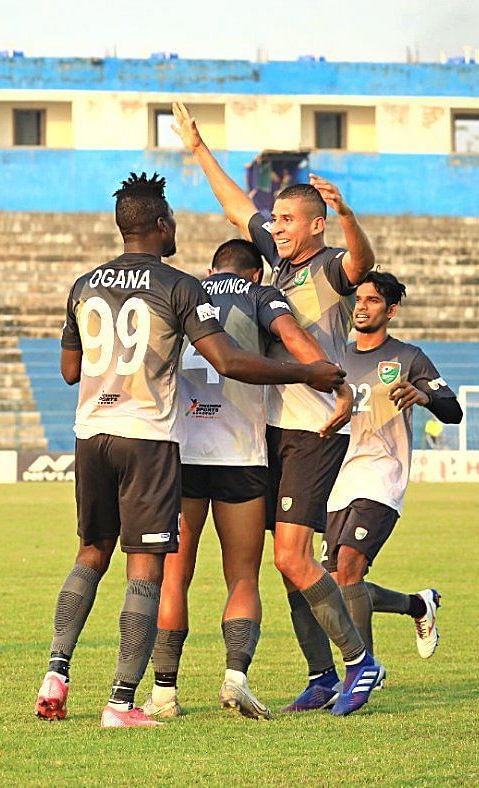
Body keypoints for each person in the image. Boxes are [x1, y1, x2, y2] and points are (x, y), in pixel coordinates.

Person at [34, 172, 346, 728]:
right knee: (155, 570)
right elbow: (228, 361)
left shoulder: (83, 285)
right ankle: (123, 703)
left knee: (90, 555)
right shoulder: (181, 286)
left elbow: (68, 370)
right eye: (172, 217)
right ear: (160, 225)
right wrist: (309, 373)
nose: (176, 225)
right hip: (154, 438)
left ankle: (60, 673)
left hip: (91, 434)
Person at [171, 101, 382, 716]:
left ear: (316, 225)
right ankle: (320, 677)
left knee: (290, 556)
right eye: (278, 220)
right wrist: (198, 148)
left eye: (289, 219)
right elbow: (239, 207)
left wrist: (348, 215)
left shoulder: (328, 268)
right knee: (288, 561)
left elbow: (362, 263)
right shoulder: (274, 266)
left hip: (314, 429)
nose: (277, 226)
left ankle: (360, 664)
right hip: (270, 434)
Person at [143, 239, 351, 721]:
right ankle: (235, 676)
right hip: (241, 455)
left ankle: (164, 693)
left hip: (183, 453)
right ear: (256, 273)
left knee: (175, 575)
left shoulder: (183, 290)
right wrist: (330, 379)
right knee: (242, 575)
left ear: (212, 267)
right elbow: (293, 337)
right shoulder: (258, 294)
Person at [320, 271, 462, 667]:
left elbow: (453, 411)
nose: (362, 307)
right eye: (358, 300)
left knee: (349, 566)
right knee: (337, 583)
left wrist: (423, 396)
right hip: (337, 477)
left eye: (372, 301)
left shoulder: (408, 357)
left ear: (392, 310)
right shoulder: (336, 355)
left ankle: (361, 672)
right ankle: (417, 605)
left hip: (383, 474)